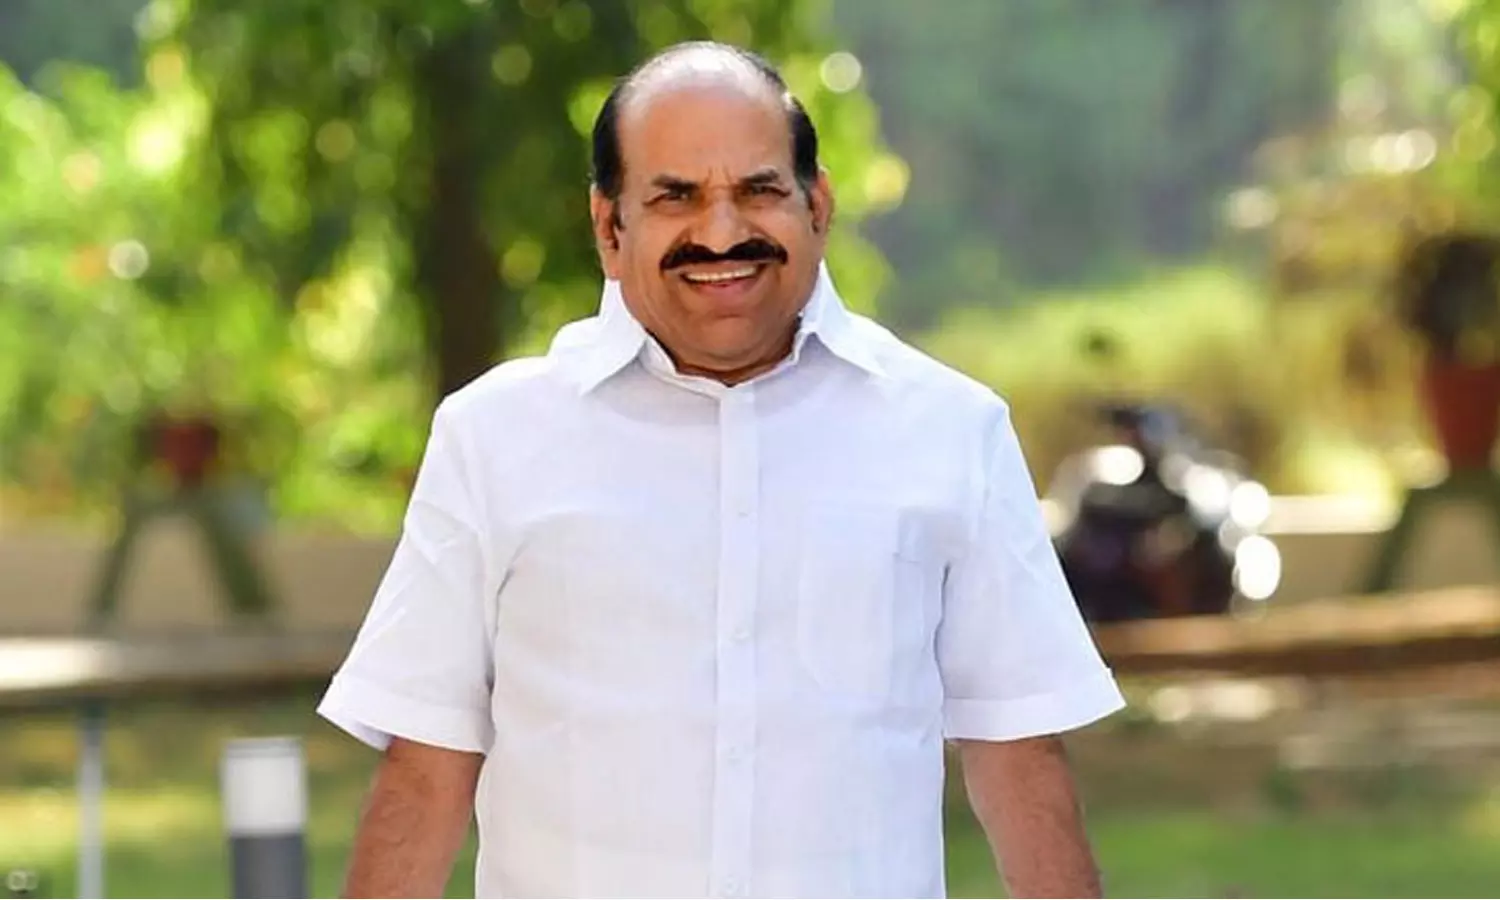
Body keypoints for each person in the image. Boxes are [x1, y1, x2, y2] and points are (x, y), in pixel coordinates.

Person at [318, 40, 1125, 899]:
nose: (721, 231)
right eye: (676, 197)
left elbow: (1020, 753)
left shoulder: (952, 432)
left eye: (759, 190)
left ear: (818, 206)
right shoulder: (493, 439)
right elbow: (426, 766)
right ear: (609, 227)